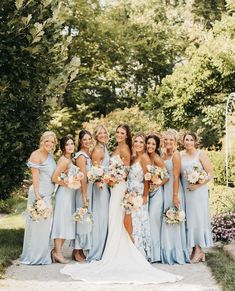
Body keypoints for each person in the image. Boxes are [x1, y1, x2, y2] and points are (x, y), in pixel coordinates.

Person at [61, 124, 182, 284]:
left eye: (122, 133)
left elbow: (140, 175)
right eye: (117, 132)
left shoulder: (131, 152)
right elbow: (126, 172)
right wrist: (109, 177)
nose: (119, 135)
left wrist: (147, 191)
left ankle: (129, 251)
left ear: (127, 136)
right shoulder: (127, 153)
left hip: (124, 190)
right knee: (116, 220)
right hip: (119, 189)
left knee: (121, 221)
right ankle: (112, 250)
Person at [20, 131, 57, 265]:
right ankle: (34, 256)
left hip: (47, 194)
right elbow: (35, 176)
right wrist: (37, 196)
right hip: (39, 195)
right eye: (47, 140)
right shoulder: (36, 155)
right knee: (37, 225)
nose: (50, 144)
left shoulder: (50, 155)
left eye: (52, 141)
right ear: (42, 140)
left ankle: (42, 255)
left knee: (45, 226)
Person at [180, 132, 213, 263]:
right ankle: (195, 249)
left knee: (197, 219)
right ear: (183, 141)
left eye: (191, 140)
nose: (188, 142)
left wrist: (198, 184)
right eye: (186, 140)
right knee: (190, 219)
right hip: (186, 191)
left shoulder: (200, 154)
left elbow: (210, 174)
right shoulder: (181, 155)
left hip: (198, 192)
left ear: (195, 141)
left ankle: (199, 250)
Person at [161, 129, 190, 264]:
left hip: (174, 189)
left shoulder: (176, 155)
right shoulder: (163, 154)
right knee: (166, 218)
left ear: (175, 142)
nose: (168, 142)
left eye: (171, 140)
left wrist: (174, 195)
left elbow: (176, 176)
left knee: (174, 218)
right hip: (164, 189)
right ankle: (166, 252)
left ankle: (177, 253)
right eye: (166, 139)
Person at [51, 135, 77, 264]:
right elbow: (55, 178)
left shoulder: (69, 159)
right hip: (64, 194)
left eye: (72, 143)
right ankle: (57, 252)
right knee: (61, 222)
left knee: (66, 222)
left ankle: (56, 251)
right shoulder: (64, 160)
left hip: (69, 195)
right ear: (63, 147)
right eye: (67, 144)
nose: (70, 146)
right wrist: (68, 183)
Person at [86, 125, 110, 261]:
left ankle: (103, 248)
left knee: (104, 218)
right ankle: (97, 250)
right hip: (100, 188)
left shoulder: (104, 148)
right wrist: (100, 182)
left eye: (104, 132)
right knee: (100, 218)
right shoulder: (97, 149)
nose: (103, 135)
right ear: (96, 136)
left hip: (106, 186)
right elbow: (95, 173)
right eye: (100, 133)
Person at [126, 133, 151, 260]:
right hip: (129, 194)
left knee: (138, 223)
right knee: (130, 223)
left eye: (141, 142)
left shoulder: (145, 158)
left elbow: (148, 179)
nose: (138, 144)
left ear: (145, 145)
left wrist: (145, 195)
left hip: (140, 194)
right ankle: (131, 250)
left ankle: (140, 252)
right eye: (136, 141)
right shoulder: (133, 157)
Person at [146, 133, 168, 263]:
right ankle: (149, 252)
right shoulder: (143, 157)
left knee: (154, 222)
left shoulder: (158, 159)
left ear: (157, 146)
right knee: (148, 222)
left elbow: (167, 176)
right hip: (147, 194)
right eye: (148, 143)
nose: (150, 146)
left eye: (153, 144)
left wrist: (158, 183)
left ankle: (156, 255)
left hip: (157, 194)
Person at [73, 129, 93, 262]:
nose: (87, 141)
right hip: (82, 191)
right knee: (82, 219)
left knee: (86, 219)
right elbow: (83, 178)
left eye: (89, 139)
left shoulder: (88, 154)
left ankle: (81, 248)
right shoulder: (81, 156)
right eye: (84, 139)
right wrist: (85, 196)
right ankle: (77, 250)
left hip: (89, 190)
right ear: (80, 141)